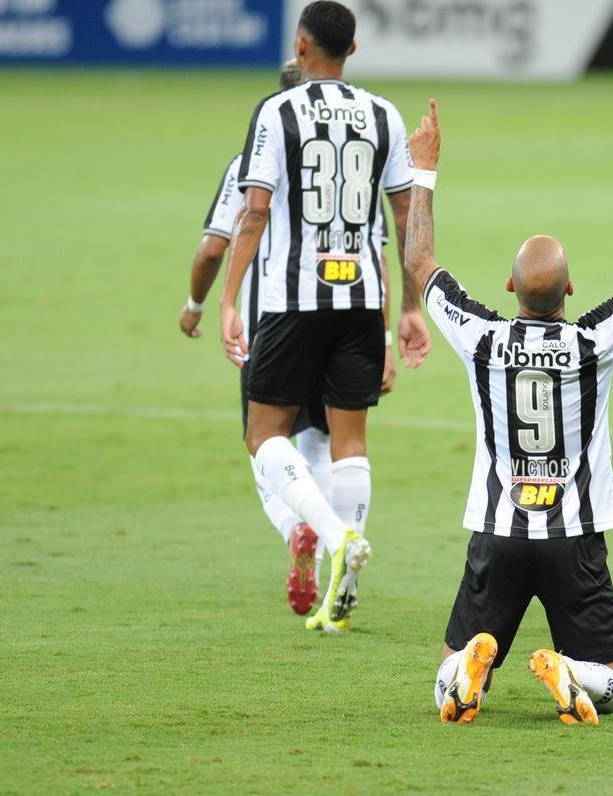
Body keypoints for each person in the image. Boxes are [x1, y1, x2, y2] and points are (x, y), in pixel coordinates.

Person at [400, 92, 613, 725]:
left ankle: (473, 664)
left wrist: (425, 169)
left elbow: (419, 260)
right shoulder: (594, 342)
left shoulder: (483, 340)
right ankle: (573, 671)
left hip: (498, 533)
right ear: (570, 290)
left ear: (509, 289)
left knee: (444, 689)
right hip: (574, 537)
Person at [218, 1, 432, 633]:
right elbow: (405, 220)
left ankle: (336, 538)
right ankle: (348, 578)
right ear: (353, 51)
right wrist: (411, 309)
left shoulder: (277, 111)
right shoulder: (384, 114)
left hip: (290, 300)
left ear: (301, 46)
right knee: (351, 444)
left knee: (264, 437)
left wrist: (230, 300)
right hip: (362, 298)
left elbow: (254, 211)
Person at [178, 59, 401, 617]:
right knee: (328, 442)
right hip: (354, 310)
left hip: (271, 324)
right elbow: (380, 249)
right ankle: (341, 572)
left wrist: (200, 305)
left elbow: (213, 248)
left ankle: (304, 531)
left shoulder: (248, 162)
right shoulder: (363, 153)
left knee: (264, 441)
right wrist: (390, 338)